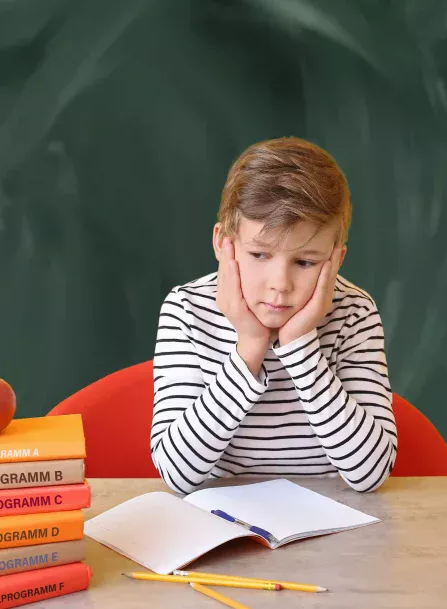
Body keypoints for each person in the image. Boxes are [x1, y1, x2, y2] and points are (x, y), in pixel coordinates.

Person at [151, 136, 397, 493]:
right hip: (223, 523)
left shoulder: (354, 313)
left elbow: (370, 474)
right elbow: (177, 475)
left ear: (335, 259)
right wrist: (250, 346)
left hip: (331, 527)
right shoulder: (187, 309)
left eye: (305, 262)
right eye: (260, 255)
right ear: (224, 244)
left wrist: (299, 344)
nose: (280, 284)